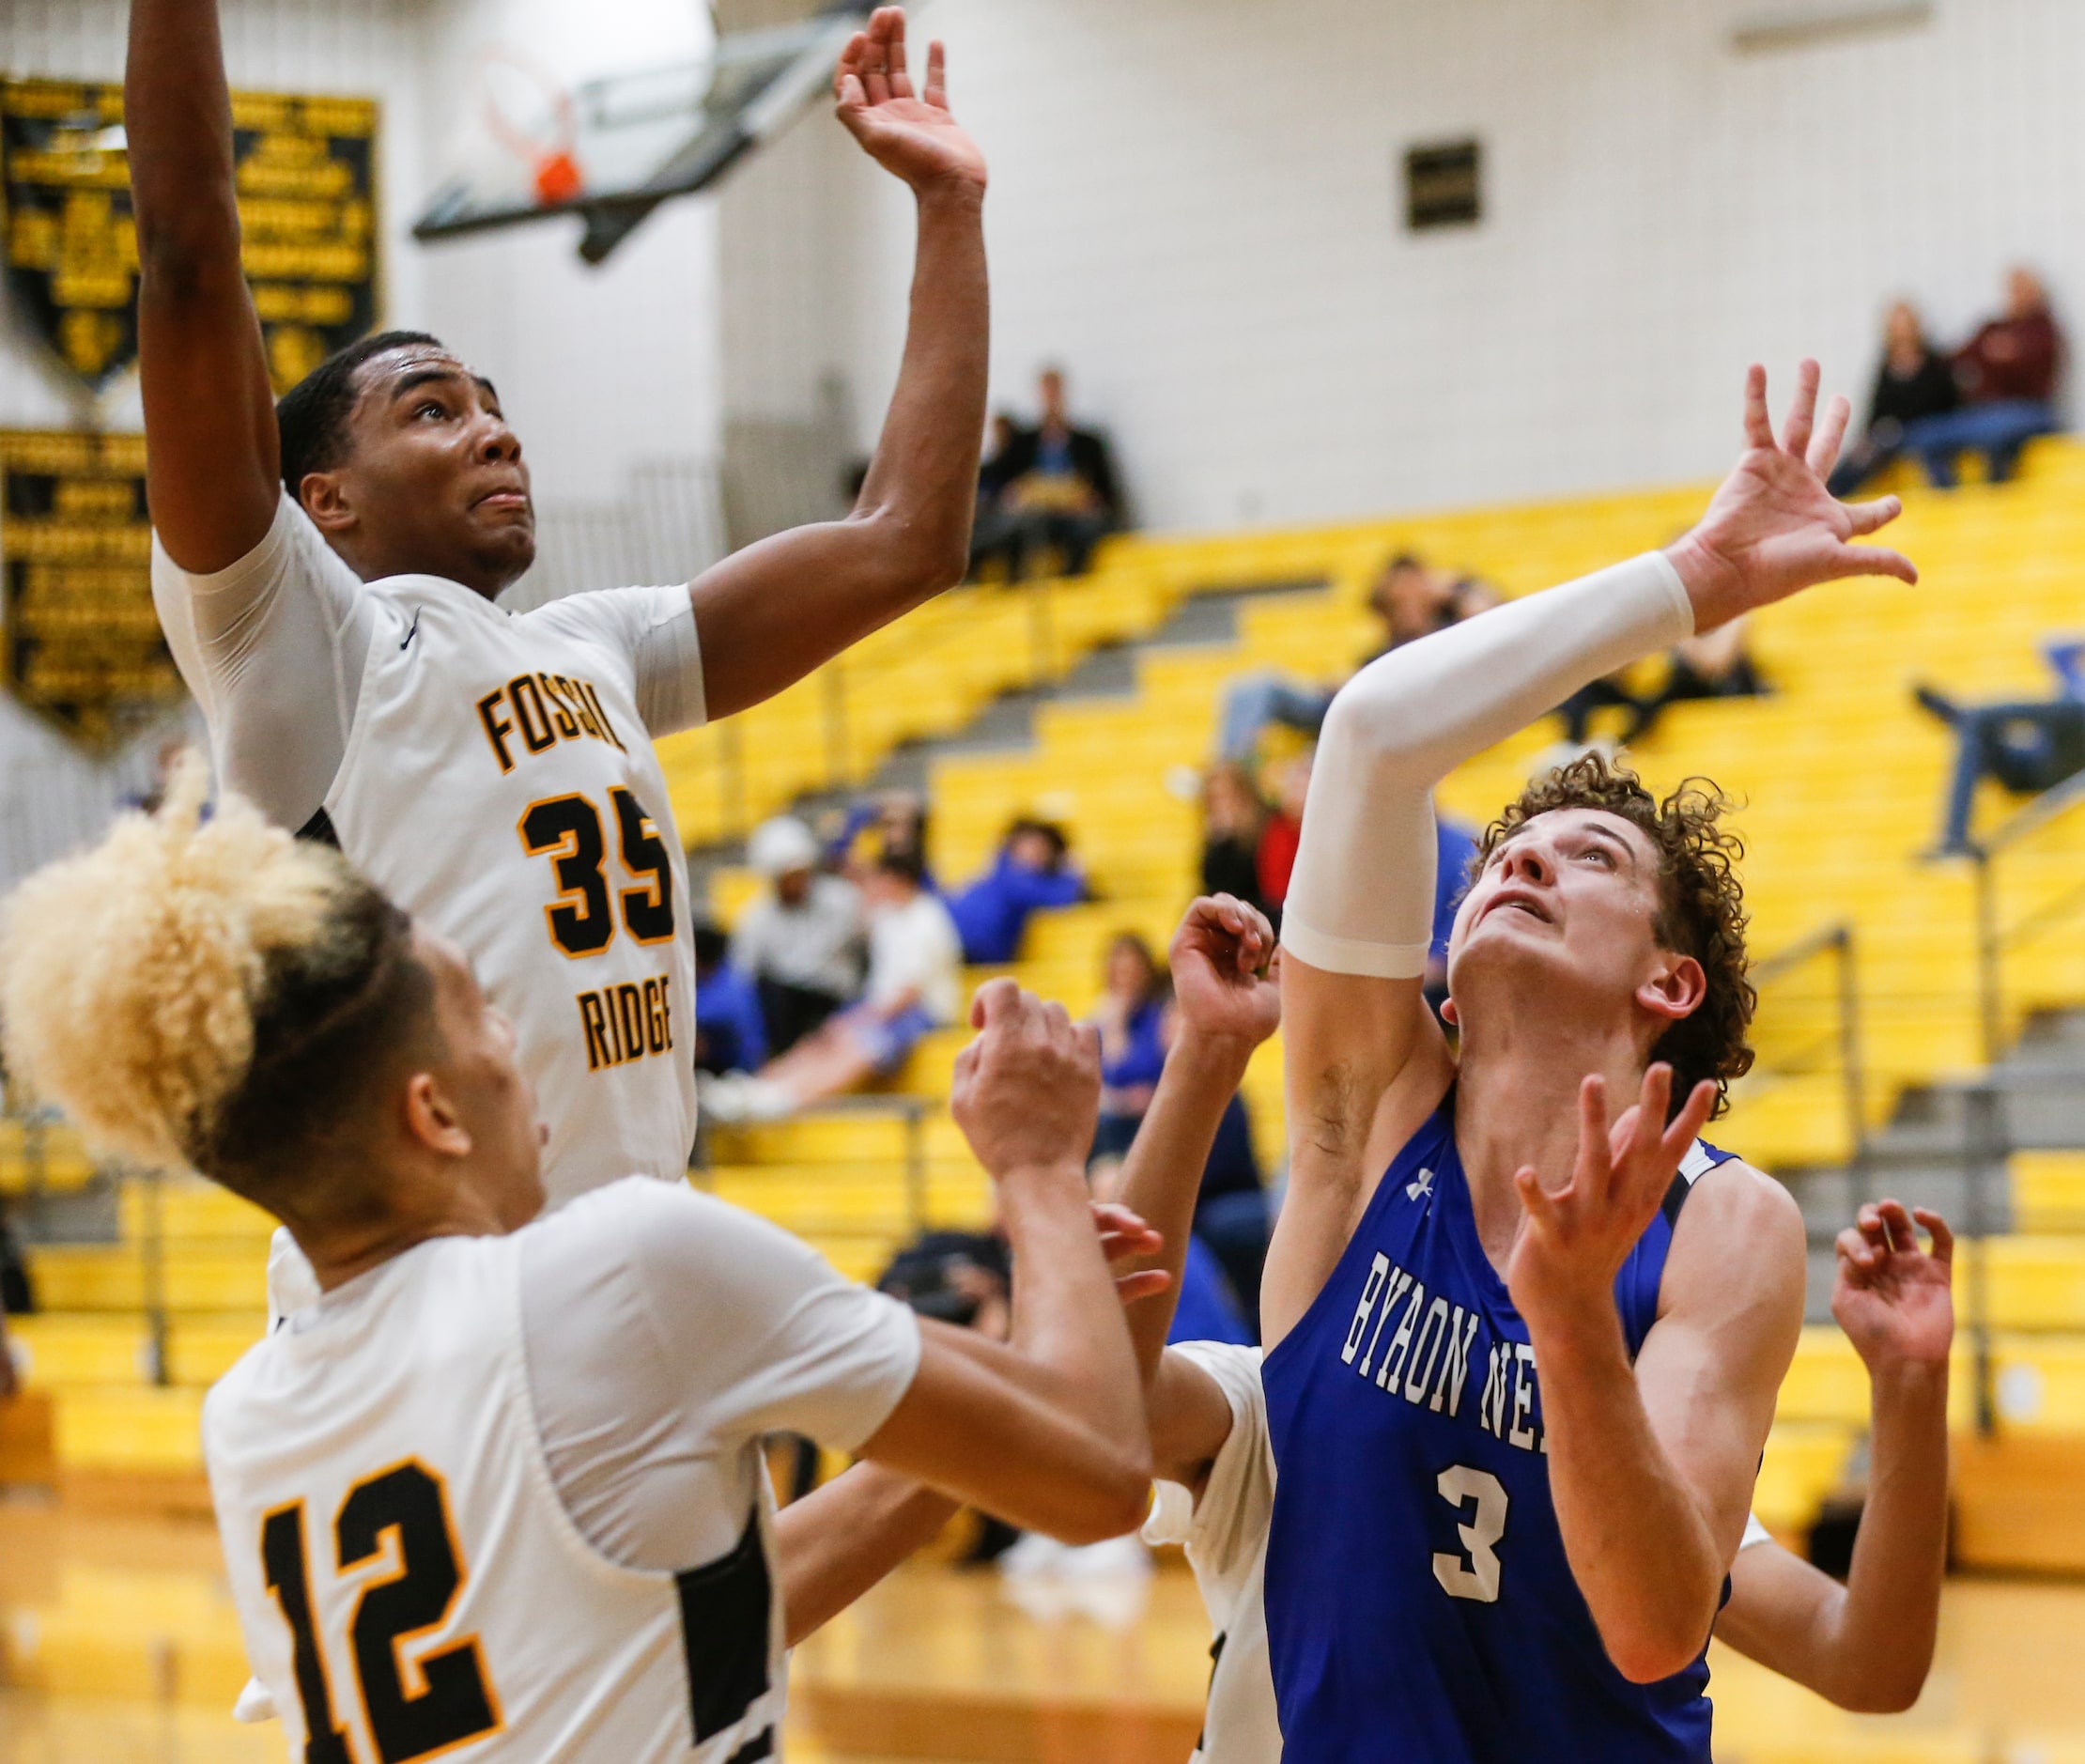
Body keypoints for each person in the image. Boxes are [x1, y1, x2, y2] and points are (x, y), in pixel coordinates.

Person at [0, 771, 1154, 1763]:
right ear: (435, 1113)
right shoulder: (625, 1269)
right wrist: (1041, 1164)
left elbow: (667, 1638)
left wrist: (995, 1395)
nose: (520, 1045)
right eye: (484, 1019)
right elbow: (1099, 1474)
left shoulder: (250, 1413)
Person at [133, 1, 988, 1209]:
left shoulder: (598, 645)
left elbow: (905, 539)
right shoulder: (304, 640)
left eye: (491, 404)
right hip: (437, 1279)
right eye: (434, 410)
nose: (496, 431)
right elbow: (185, 251)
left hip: (635, 1260)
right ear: (321, 501)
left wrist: (949, 208)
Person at [1259, 361, 1914, 1760]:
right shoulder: (1368, 1116)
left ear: (1668, 980)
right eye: (1504, 849)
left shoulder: (1724, 1223)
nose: (1527, 854)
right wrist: (1687, 581)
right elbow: (1373, 738)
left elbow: (1659, 1621)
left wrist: (1566, 1311)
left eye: (1589, 853)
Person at [704, 849, 963, 1121]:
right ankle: (756, 1088)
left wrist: (860, 1018)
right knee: (823, 1036)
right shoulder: (891, 917)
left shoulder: (926, 919)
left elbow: (909, 994)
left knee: (857, 1045)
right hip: (883, 1007)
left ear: (897, 880)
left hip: (922, 1012)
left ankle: (786, 1100)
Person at [1213, 552, 1455, 766]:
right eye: (1397, 602)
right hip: (1349, 711)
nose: (1406, 607)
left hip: (1389, 719)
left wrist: (1457, 588)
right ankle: (1229, 769)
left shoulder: (1451, 633)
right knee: (1257, 689)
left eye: (1412, 595)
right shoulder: (1384, 648)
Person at [1913, 641, 2085, 853]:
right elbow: (2052, 644)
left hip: (2072, 749)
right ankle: (1962, 719)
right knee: (1978, 736)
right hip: (2033, 763)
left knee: (1981, 719)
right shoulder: (2072, 674)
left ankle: (1961, 716)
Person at [1908, 268, 2064, 487]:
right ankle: (1950, 501)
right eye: (2014, 288)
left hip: (2030, 410)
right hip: (1984, 413)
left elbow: (2033, 365)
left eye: (2024, 288)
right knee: (1924, 436)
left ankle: (1995, 500)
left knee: (1995, 435)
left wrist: (2007, 353)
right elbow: (1954, 358)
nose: (2017, 294)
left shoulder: (2044, 330)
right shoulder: (1992, 327)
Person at [732, 815, 867, 1057]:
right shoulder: (756, 918)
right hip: (785, 1010)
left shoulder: (843, 901)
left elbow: (865, 953)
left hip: (835, 1000)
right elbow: (745, 974)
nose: (797, 882)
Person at [970, 366, 1122, 580]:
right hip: (1035, 516)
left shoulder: (1089, 442)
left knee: (1087, 529)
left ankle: (1072, 581)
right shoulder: (1023, 442)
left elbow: (1106, 490)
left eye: (1055, 392)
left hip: (1073, 516)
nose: (1051, 398)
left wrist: (1090, 501)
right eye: (1047, 392)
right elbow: (996, 477)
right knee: (1009, 527)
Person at [1827, 302, 1960, 497]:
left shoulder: (1934, 362)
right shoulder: (1886, 365)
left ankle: (1946, 495)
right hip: (1894, 434)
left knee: (1927, 447)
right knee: (1867, 450)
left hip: (1930, 430)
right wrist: (1866, 437)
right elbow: (1876, 408)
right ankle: (1832, 490)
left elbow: (1949, 402)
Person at [945, 817, 1087, 965]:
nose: (1034, 852)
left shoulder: (1013, 879)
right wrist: (1072, 874)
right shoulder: (1007, 877)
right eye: (1029, 844)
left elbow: (1063, 899)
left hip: (973, 949)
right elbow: (1062, 896)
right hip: (960, 940)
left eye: (1042, 848)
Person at [1091, 932, 1171, 1161]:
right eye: (1120, 973)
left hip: (1150, 1122)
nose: (1127, 981)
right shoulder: (1100, 1022)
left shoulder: (1160, 1018)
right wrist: (1114, 1027)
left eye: (1133, 972)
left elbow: (1150, 1071)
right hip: (1113, 1121)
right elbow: (1098, 1082)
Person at [693, 922, 767, 1077]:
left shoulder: (729, 991)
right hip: (720, 1062)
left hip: (737, 1072)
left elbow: (696, 1042)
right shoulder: (717, 974)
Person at [1200, 764, 1273, 920]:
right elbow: (1212, 887)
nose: (1222, 805)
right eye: (1215, 798)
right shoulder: (1216, 839)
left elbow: (1259, 887)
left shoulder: (1266, 829)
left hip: (1261, 918)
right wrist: (1220, 843)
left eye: (1226, 796)